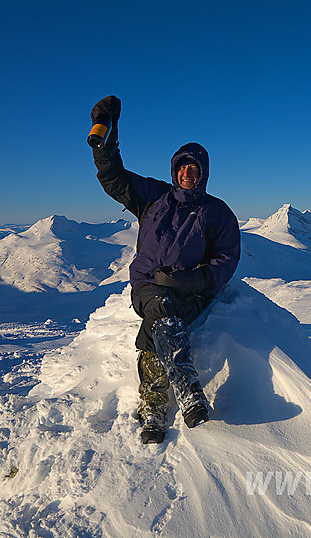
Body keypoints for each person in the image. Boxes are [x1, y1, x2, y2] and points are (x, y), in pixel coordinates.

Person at [90, 95, 241, 444]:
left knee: (158, 323)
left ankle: (154, 409)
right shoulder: (155, 198)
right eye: (182, 167)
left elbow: (227, 258)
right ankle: (188, 388)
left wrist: (195, 280)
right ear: (174, 171)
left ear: (203, 173)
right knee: (159, 307)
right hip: (148, 284)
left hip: (192, 292)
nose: (187, 173)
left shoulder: (217, 213)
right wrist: (106, 138)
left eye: (194, 168)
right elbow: (114, 178)